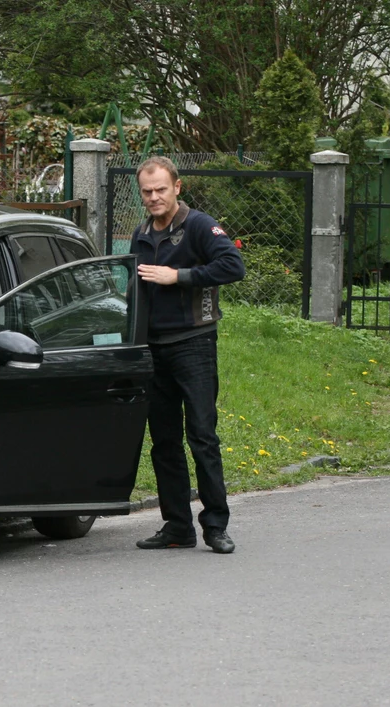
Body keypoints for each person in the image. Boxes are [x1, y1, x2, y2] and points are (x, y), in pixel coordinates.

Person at [131, 156, 245, 554]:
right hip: (153, 350)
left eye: (161, 189)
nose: (154, 197)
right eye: (147, 191)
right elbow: (136, 289)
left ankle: (216, 526)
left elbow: (233, 265)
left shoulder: (198, 225)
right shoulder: (142, 232)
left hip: (194, 344)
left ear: (177, 187)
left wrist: (179, 276)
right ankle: (177, 526)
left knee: (202, 437)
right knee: (164, 442)